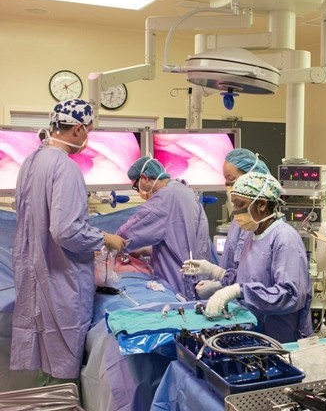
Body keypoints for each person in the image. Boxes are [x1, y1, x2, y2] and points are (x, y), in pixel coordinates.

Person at [11, 98, 126, 385]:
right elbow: (66, 231)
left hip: (36, 277)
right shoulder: (66, 168)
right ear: (77, 129)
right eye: (89, 130)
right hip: (61, 282)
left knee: (45, 363)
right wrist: (104, 238)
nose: (88, 137)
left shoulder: (31, 162)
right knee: (63, 367)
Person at [204, 172, 313, 343]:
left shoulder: (284, 238)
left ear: (261, 204)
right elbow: (245, 277)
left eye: (240, 204)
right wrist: (217, 275)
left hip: (281, 337)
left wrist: (240, 291)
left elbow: (290, 296)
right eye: (234, 204)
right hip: (256, 331)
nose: (236, 211)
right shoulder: (252, 235)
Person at [116, 156, 213, 300]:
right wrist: (148, 250)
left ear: (144, 178)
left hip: (178, 282)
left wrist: (110, 242)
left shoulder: (163, 199)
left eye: (136, 187)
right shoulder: (184, 190)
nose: (139, 192)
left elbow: (128, 233)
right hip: (199, 277)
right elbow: (181, 238)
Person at [182, 148, 270, 299]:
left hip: (256, 309)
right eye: (226, 180)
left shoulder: (265, 229)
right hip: (238, 301)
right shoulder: (242, 220)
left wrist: (219, 282)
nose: (227, 185)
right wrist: (220, 281)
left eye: (231, 179)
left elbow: (258, 281)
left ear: (252, 178)